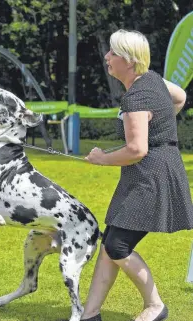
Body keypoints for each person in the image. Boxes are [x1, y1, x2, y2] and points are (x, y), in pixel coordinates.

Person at [82, 29, 193, 321]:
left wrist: (102, 159)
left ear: (129, 61)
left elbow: (136, 149)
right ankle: (89, 314)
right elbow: (180, 97)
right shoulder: (152, 81)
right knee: (112, 241)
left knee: (117, 245)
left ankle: (155, 306)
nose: (107, 57)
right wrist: (163, 126)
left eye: (113, 53)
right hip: (152, 171)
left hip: (150, 177)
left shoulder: (137, 97)